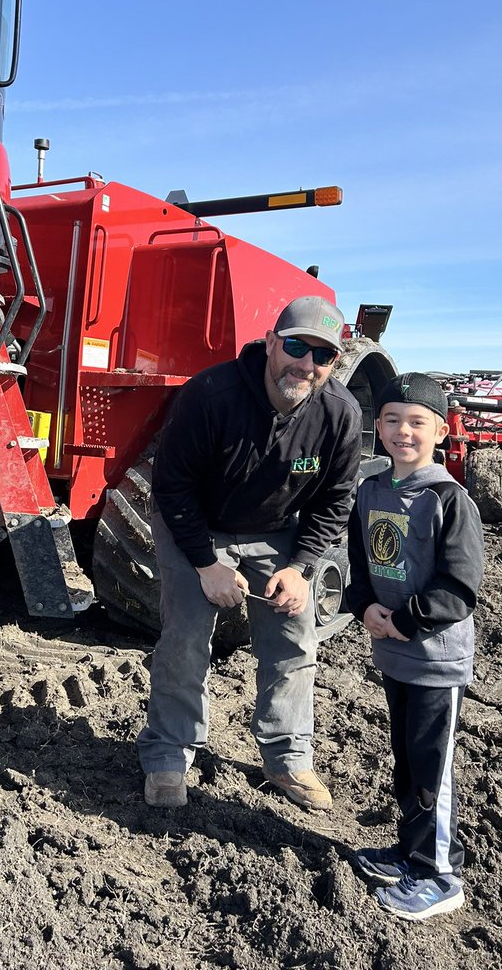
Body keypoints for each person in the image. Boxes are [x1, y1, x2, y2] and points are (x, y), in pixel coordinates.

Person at [137, 295, 364, 810]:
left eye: (322, 356)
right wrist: (204, 564)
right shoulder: (210, 396)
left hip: (277, 531)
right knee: (187, 637)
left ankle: (288, 758)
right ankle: (169, 753)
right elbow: (172, 488)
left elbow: (335, 500)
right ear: (270, 343)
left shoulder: (339, 416)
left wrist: (301, 568)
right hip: (195, 522)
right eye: (296, 346)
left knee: (294, 637)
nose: (306, 364)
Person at [345, 372, 484, 921]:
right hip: (394, 655)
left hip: (435, 658)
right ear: (377, 427)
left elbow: (460, 586)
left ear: (440, 430)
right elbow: (361, 568)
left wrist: (406, 619)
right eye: (392, 420)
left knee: (432, 769)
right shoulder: (372, 491)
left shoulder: (449, 499)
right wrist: (363, 608)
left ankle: (440, 873)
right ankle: (410, 852)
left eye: (417, 422)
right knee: (406, 762)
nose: (404, 431)